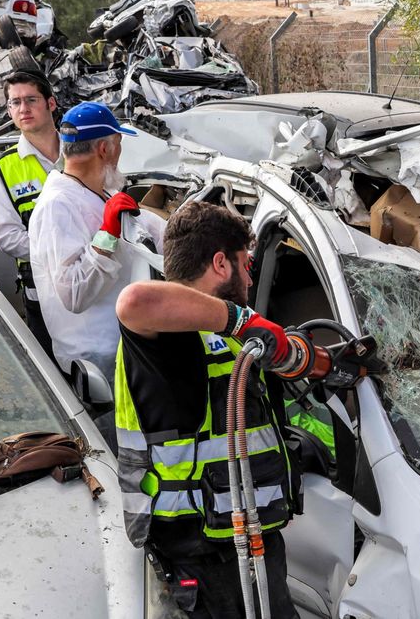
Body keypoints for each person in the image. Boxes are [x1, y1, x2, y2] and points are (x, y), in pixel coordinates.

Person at [114, 201, 300, 619]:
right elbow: (135, 300)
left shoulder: (219, 333)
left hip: (242, 540)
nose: (250, 276)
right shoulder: (170, 338)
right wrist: (239, 320)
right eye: (245, 263)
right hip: (207, 556)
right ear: (220, 263)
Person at [28, 101, 166, 385]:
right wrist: (106, 237)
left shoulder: (94, 193)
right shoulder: (58, 205)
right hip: (98, 364)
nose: (120, 152)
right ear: (105, 149)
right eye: (118, 142)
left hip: (123, 351)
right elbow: (74, 294)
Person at [0, 69, 60, 357]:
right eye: (14, 103)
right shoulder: (3, 167)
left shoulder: (82, 150)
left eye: (31, 99)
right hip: (43, 292)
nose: (23, 108)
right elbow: (6, 236)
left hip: (97, 283)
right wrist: (61, 251)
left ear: (50, 104)